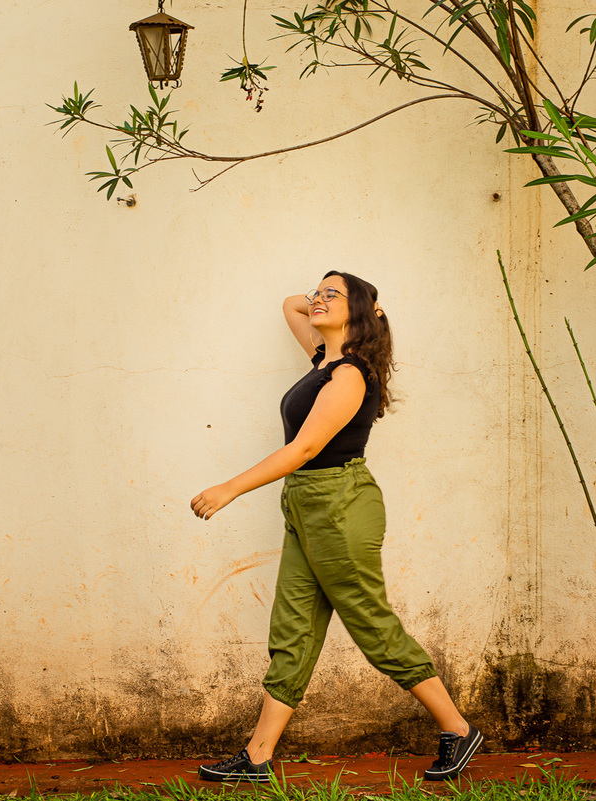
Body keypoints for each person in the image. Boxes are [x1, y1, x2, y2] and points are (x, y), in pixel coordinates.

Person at [190, 271, 481, 783]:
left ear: (361, 313)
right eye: (317, 292)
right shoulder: (323, 358)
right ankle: (257, 756)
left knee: (370, 621)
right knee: (293, 628)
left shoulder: (347, 373)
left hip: (340, 503)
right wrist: (330, 301)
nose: (317, 300)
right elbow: (290, 305)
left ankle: (457, 728)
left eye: (332, 294)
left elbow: (303, 449)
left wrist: (229, 488)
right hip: (306, 503)